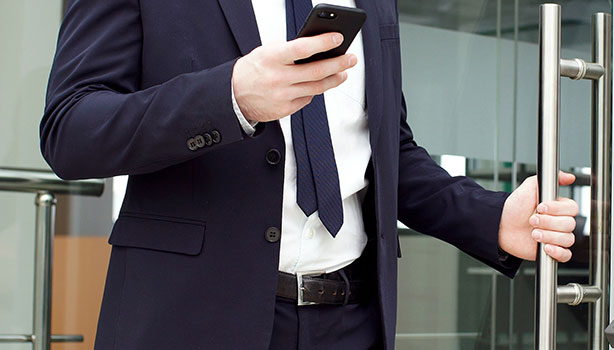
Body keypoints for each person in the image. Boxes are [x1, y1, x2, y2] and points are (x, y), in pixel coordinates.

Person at [40, 0, 579, 349]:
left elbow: (385, 151)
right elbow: (70, 131)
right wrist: (229, 98)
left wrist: (491, 217)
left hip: (352, 322)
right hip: (194, 319)